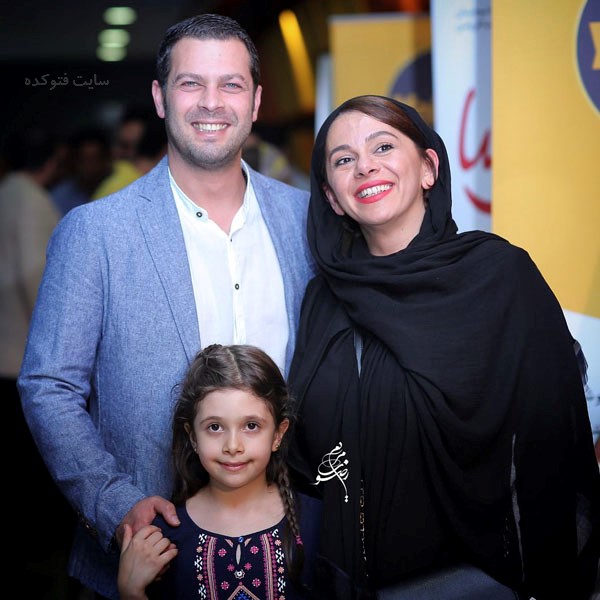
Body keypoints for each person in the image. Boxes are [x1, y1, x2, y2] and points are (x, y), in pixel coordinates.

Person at [18, 13, 314, 600]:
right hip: (149, 554)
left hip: (294, 552)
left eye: (231, 84)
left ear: (256, 101)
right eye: (190, 83)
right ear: (160, 97)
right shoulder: (95, 231)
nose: (211, 102)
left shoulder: (305, 221)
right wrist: (114, 502)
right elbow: (49, 386)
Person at [287, 95, 600, 600]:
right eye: (344, 160)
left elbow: (551, 448)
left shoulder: (499, 279)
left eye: (383, 146)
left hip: (485, 582)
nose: (365, 166)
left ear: (429, 168)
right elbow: (306, 459)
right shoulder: (324, 300)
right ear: (332, 197)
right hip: (355, 581)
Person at [118, 343, 312, 599]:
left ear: (278, 433)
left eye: (251, 426)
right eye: (215, 427)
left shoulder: (316, 522)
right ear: (192, 436)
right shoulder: (162, 539)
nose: (232, 446)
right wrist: (130, 591)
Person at [0, 127, 77, 595]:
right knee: (31, 473)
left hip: (6, 350)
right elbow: (38, 281)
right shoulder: (30, 201)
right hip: (22, 357)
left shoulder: (7, 193)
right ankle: (38, 564)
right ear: (52, 160)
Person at [51, 127, 113, 215]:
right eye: (84, 161)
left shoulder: (117, 189)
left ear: (107, 160)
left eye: (95, 160)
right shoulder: (61, 197)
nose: (90, 167)